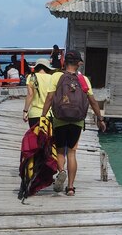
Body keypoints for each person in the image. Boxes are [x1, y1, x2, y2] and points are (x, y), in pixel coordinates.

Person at [41, 50, 106, 196]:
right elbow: (93, 101)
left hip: (59, 119)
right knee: (72, 152)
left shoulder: (56, 76)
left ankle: (61, 171)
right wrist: (100, 119)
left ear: (64, 62)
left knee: (59, 151)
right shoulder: (83, 79)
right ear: (79, 63)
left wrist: (43, 116)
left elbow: (50, 98)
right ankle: (70, 187)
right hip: (76, 121)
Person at [22, 58, 55, 128]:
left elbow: (30, 95)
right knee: (48, 138)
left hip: (34, 114)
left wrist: (25, 111)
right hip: (49, 114)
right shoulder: (52, 78)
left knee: (35, 138)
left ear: (36, 67)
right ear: (47, 68)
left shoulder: (32, 77)